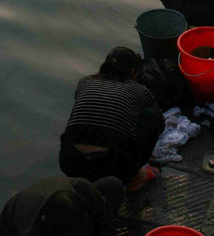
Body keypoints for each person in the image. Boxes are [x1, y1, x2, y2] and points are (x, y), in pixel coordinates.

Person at [59, 47, 164, 191]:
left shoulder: (84, 82)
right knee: (152, 116)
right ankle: (133, 177)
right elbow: (160, 122)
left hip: (69, 162)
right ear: (133, 72)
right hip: (112, 169)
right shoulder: (140, 90)